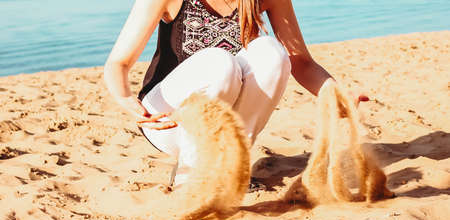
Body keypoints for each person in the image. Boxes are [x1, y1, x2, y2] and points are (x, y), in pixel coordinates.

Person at [104, 0, 366, 187]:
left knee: (271, 52)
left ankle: (231, 165)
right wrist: (127, 100)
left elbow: (302, 63)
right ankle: (190, 171)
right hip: (168, 119)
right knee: (220, 63)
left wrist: (336, 95)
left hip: (224, 121)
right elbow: (119, 63)